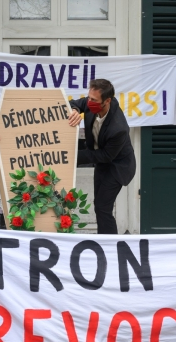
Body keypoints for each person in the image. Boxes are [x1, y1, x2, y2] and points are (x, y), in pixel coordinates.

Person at [68, 79, 136, 234]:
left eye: (94, 100)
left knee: (103, 207)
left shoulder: (118, 128)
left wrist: (72, 156)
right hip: (102, 162)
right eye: (89, 97)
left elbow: (106, 155)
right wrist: (75, 110)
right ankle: (104, 239)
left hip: (117, 166)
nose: (89, 102)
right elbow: (77, 103)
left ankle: (110, 246)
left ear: (107, 101)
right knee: (99, 205)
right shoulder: (91, 103)